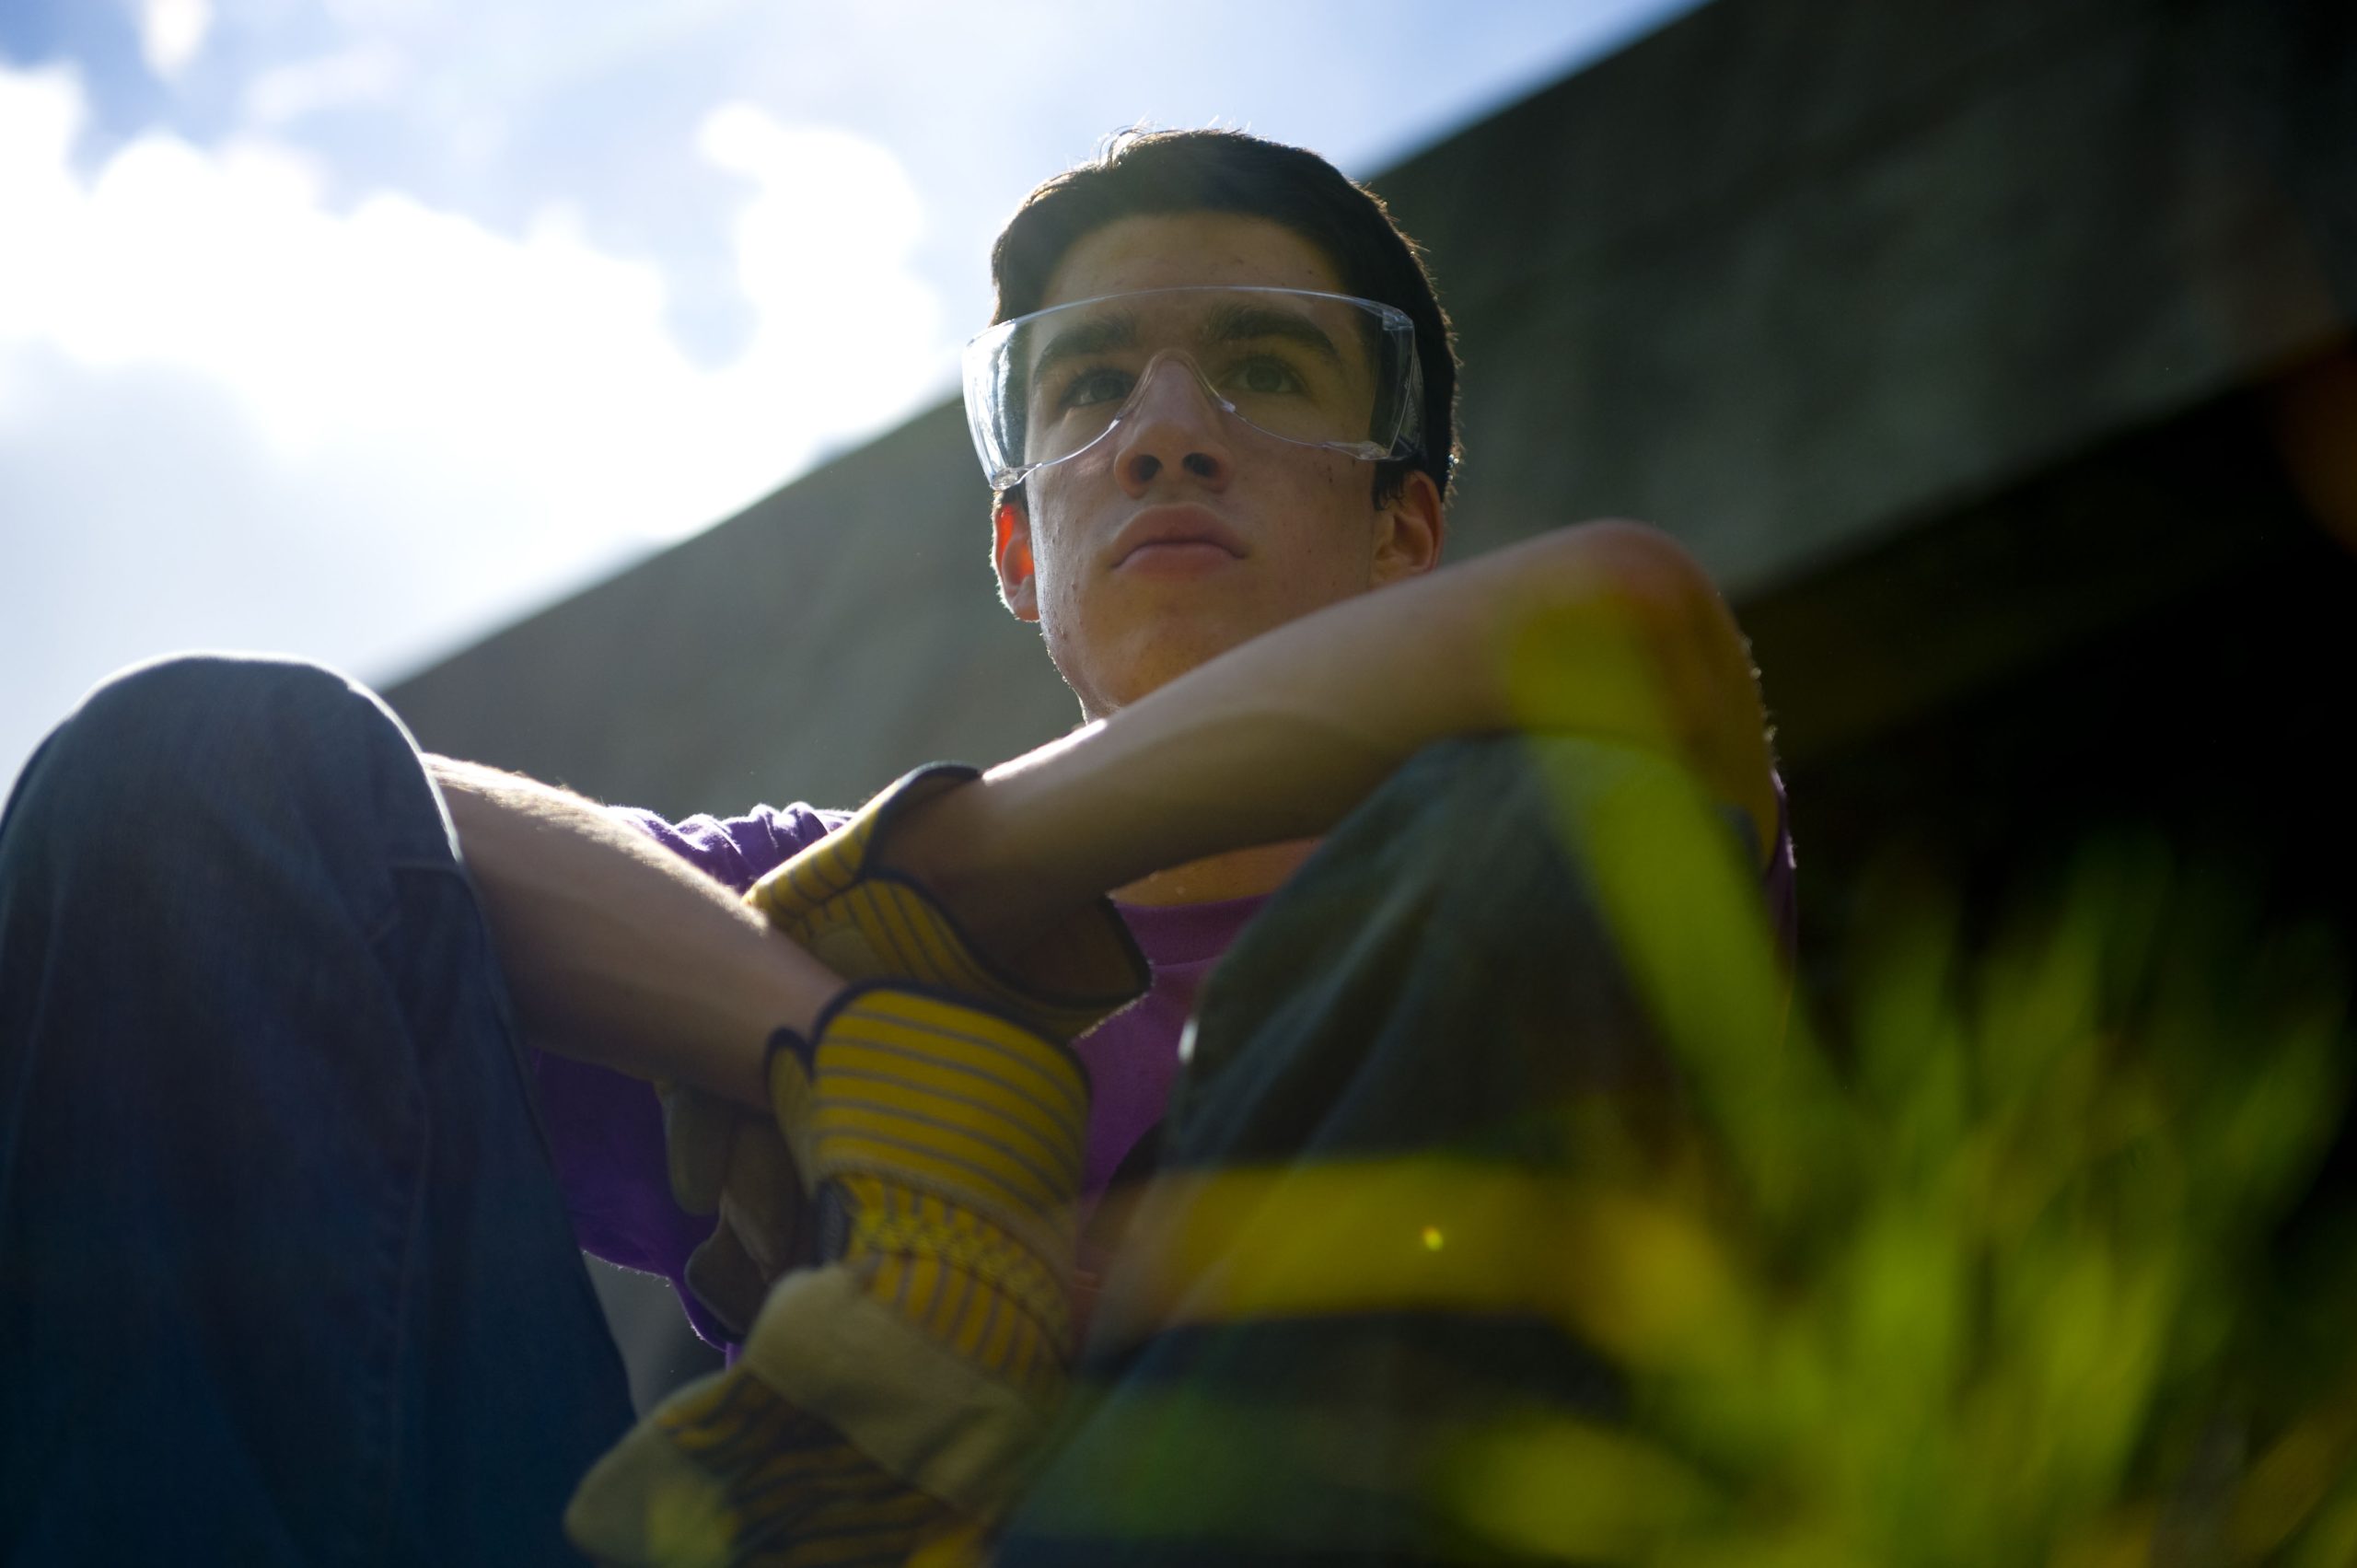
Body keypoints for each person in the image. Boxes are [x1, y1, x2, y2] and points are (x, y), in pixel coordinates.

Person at [0, 129, 1793, 1566]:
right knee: (181, 761)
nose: (1166, 434)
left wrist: (959, 888)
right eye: (1088, 388)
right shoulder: (794, 918)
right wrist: (833, 1048)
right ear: (1019, 549)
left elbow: (1627, 622)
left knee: (1545, 813)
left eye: (1260, 369)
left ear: (1404, 529)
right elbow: (291, 828)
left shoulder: (1500, 876)